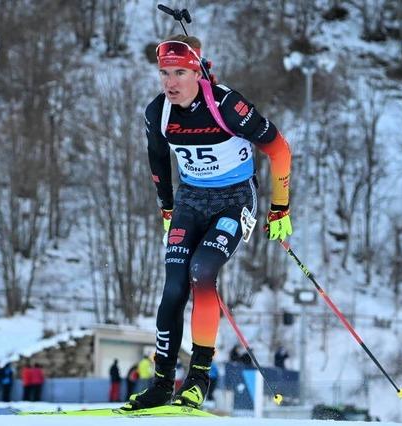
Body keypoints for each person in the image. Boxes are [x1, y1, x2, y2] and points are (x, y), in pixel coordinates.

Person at [122, 33, 292, 411]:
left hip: (234, 200)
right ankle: (162, 383)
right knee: (173, 286)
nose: (170, 83)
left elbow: (279, 150)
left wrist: (280, 207)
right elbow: (157, 161)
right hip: (191, 200)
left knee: (203, 270)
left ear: (197, 71)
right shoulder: (158, 113)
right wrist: (167, 208)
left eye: (179, 72)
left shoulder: (228, 106)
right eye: (164, 73)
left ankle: (198, 379)